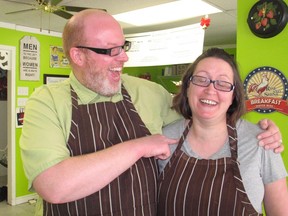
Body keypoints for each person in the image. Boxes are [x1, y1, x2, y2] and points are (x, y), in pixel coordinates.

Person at [19, 9, 283, 216]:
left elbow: (204, 113)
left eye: (123, 47)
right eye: (110, 50)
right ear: (77, 56)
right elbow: (53, 186)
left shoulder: (149, 92)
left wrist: (263, 131)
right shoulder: (46, 102)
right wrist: (139, 147)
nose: (123, 58)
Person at [157, 48, 288, 216]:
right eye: (201, 79)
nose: (210, 90)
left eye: (223, 83)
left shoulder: (262, 141)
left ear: (234, 95)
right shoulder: (163, 140)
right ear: (188, 86)